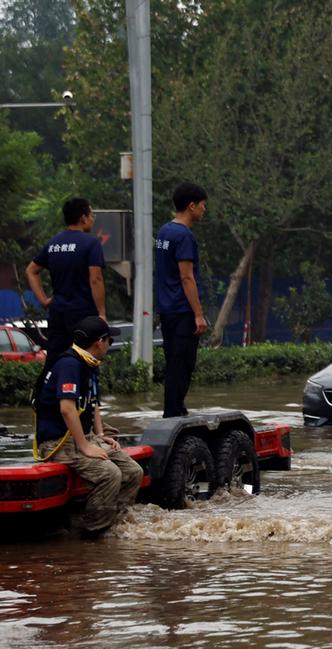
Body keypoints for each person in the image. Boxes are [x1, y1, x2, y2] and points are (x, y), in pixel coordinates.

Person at [34, 316, 139, 540]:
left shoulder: (88, 363)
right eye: (109, 340)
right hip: (57, 442)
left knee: (133, 472)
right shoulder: (70, 364)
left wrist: (100, 436)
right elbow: (67, 409)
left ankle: (116, 523)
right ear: (99, 342)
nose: (110, 345)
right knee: (110, 474)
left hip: (83, 436)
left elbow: (92, 403)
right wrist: (86, 446)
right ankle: (93, 533)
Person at [26, 198, 107, 363]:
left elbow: (31, 270)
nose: (92, 219)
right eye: (91, 215)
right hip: (84, 315)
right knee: (84, 362)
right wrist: (102, 313)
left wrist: (44, 300)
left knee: (55, 361)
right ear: (83, 218)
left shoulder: (53, 243)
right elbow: (96, 279)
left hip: (58, 314)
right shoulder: (91, 243)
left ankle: (52, 388)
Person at [155, 182, 210, 417]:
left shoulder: (164, 232)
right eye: (202, 205)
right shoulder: (184, 236)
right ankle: (174, 412)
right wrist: (198, 314)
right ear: (191, 206)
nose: (204, 210)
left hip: (167, 310)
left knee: (174, 362)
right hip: (182, 310)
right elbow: (187, 277)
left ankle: (175, 408)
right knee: (183, 364)